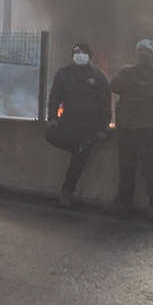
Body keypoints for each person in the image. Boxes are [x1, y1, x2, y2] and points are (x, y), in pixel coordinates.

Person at [109, 39, 153, 216]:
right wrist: (140, 83)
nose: (143, 55)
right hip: (126, 126)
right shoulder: (127, 70)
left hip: (150, 127)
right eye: (140, 51)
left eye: (147, 52)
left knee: (151, 168)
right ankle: (124, 201)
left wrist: (131, 88)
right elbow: (114, 85)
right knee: (126, 167)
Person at [46, 43, 112, 207]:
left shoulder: (98, 76)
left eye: (83, 52)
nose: (79, 55)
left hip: (90, 126)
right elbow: (54, 98)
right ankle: (77, 148)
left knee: (81, 154)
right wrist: (52, 118)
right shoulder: (64, 74)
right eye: (77, 52)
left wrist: (103, 127)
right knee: (56, 138)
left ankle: (67, 191)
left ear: (90, 56)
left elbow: (106, 105)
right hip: (68, 123)